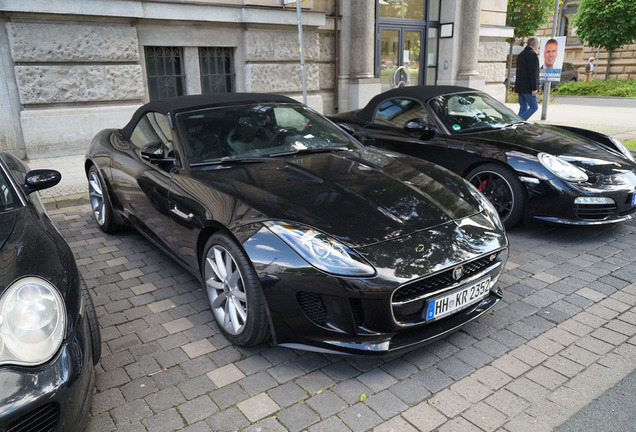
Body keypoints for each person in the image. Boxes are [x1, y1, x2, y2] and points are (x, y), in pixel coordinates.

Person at [515, 37, 540, 120]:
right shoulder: (532, 54)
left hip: (520, 86)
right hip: (528, 87)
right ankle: (516, 121)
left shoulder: (521, 54)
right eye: (538, 44)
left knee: (523, 107)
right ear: (535, 44)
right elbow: (533, 73)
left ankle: (518, 126)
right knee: (534, 106)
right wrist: (534, 88)